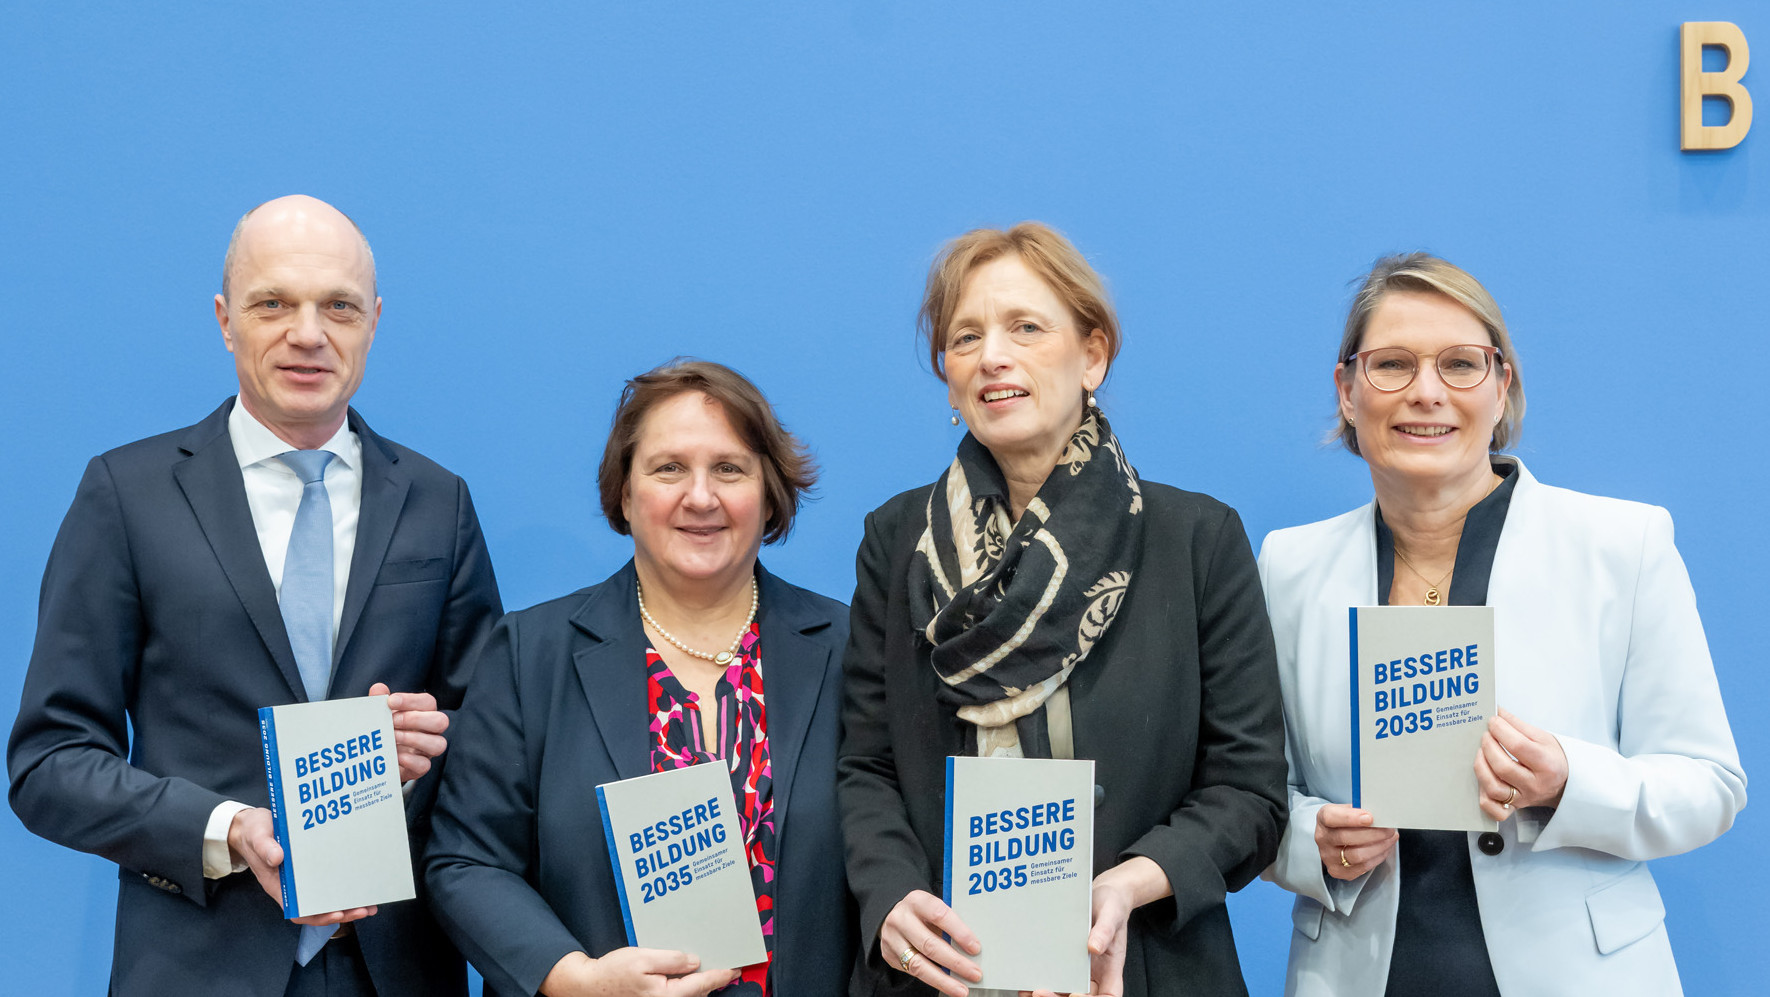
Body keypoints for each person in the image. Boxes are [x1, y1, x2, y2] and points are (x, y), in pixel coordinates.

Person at [7, 195, 504, 996]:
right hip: (197, 966)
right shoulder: (127, 496)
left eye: (338, 306)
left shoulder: (438, 503)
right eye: (273, 302)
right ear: (224, 318)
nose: (308, 333)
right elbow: (49, 764)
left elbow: (491, 748)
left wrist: (411, 766)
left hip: (398, 969)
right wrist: (228, 829)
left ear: (373, 320)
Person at [1259, 252, 1747, 996]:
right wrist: (1309, 840)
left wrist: (1568, 781)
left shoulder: (1622, 547)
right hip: (1359, 975)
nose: (1427, 393)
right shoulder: (1289, 568)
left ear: (1501, 387)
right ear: (1348, 390)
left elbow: (1709, 785)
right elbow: (1255, 792)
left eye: (1460, 364)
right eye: (1392, 364)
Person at [838, 223, 1287, 997]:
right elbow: (867, 766)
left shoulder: (1195, 539)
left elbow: (1248, 790)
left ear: (1093, 355)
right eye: (965, 336)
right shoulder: (897, 540)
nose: (992, 356)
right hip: (943, 970)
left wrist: (1124, 888)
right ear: (948, 378)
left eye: (1025, 328)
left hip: (1136, 964)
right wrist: (891, 896)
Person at [424, 359, 855, 997]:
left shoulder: (851, 651)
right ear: (625, 493)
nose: (701, 496)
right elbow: (465, 861)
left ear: (770, 495)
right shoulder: (528, 654)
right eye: (669, 468)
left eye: (729, 469)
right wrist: (575, 980)